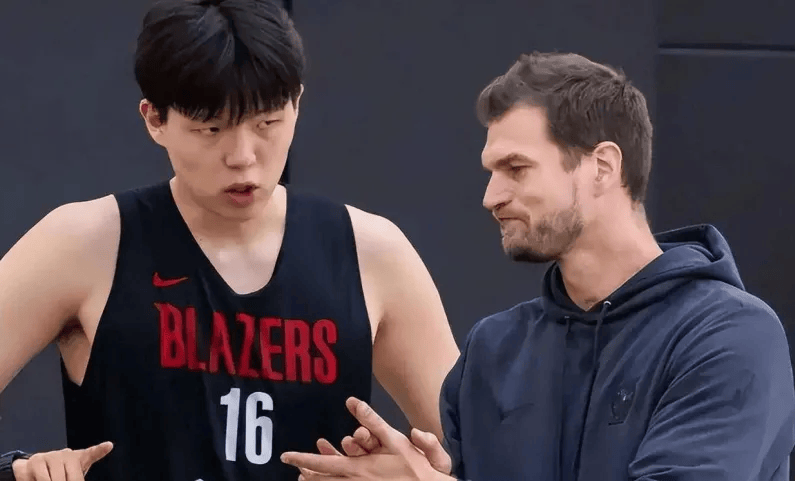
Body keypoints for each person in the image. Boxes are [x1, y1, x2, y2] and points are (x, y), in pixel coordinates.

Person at [280, 51, 795, 480]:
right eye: (491, 171)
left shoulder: (730, 336)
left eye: (516, 168)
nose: (491, 197)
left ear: (602, 167)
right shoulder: (492, 351)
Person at [0, 1, 460, 480]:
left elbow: (484, 454)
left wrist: (424, 476)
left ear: (297, 103)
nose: (242, 157)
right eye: (211, 129)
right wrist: (19, 472)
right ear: (154, 119)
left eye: (267, 123)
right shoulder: (83, 245)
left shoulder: (372, 254)